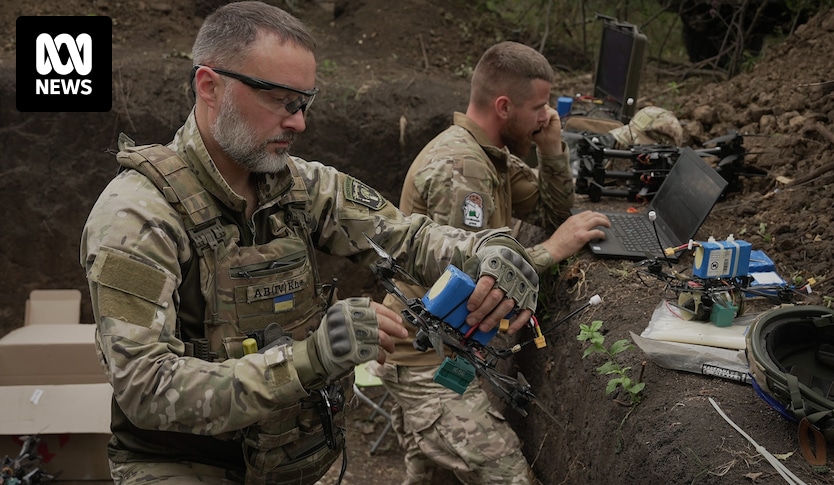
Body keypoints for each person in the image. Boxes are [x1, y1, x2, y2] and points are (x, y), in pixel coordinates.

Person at [79, 3, 541, 484]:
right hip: (185, 465)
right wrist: (312, 357)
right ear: (209, 87)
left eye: (303, 103)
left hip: (287, 458)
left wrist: (492, 250)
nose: (298, 123)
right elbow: (146, 388)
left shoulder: (300, 187)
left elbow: (409, 238)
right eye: (281, 100)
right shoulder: (136, 217)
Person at [371, 41, 611, 485]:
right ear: (504, 106)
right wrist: (551, 251)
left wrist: (552, 148)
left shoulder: (491, 156)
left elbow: (551, 212)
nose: (547, 116)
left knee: (430, 476)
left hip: (443, 347)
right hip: (424, 358)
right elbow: (470, 286)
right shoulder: (462, 169)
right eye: (540, 106)